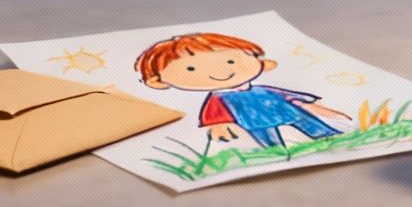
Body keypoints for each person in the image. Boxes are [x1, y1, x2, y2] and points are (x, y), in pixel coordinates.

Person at [135, 32, 350, 148]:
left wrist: (317, 107)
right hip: (252, 122)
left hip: (287, 111)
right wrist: (218, 127)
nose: (220, 71)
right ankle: (274, 152)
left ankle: (328, 135)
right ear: (158, 81)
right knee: (268, 142)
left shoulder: (265, 89)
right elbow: (215, 116)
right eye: (191, 68)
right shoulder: (218, 99)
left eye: (230, 61)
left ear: (263, 63)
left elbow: (293, 99)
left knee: (307, 121)